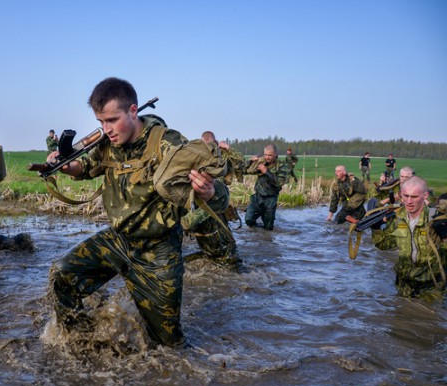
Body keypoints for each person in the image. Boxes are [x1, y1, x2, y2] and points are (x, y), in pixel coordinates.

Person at [47, 77, 230, 347]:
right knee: (62, 274)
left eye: (112, 120)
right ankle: (79, 340)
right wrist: (66, 166)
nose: (106, 129)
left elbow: (220, 193)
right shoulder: (106, 143)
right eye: (100, 122)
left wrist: (208, 192)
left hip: (158, 251)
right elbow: (87, 167)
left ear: (133, 111)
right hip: (119, 240)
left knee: (169, 345)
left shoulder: (167, 145)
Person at [372, 177, 446, 298]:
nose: (409, 201)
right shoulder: (397, 218)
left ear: (425, 195)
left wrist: (444, 234)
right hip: (403, 285)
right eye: (405, 196)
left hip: (430, 287)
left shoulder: (436, 219)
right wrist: (376, 229)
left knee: (427, 315)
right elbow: (384, 244)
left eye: (414, 197)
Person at [181, 131, 239, 267]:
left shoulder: (217, 166)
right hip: (207, 246)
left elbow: (188, 223)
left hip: (224, 250)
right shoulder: (195, 170)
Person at [243, 144, 289, 230]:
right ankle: (256, 235)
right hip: (257, 197)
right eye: (265, 154)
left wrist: (266, 171)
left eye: (270, 155)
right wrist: (250, 161)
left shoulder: (282, 166)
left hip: (270, 199)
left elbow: (280, 182)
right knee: (248, 220)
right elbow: (244, 170)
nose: (267, 157)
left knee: (268, 228)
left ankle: (264, 236)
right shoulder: (261, 161)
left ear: (275, 154)